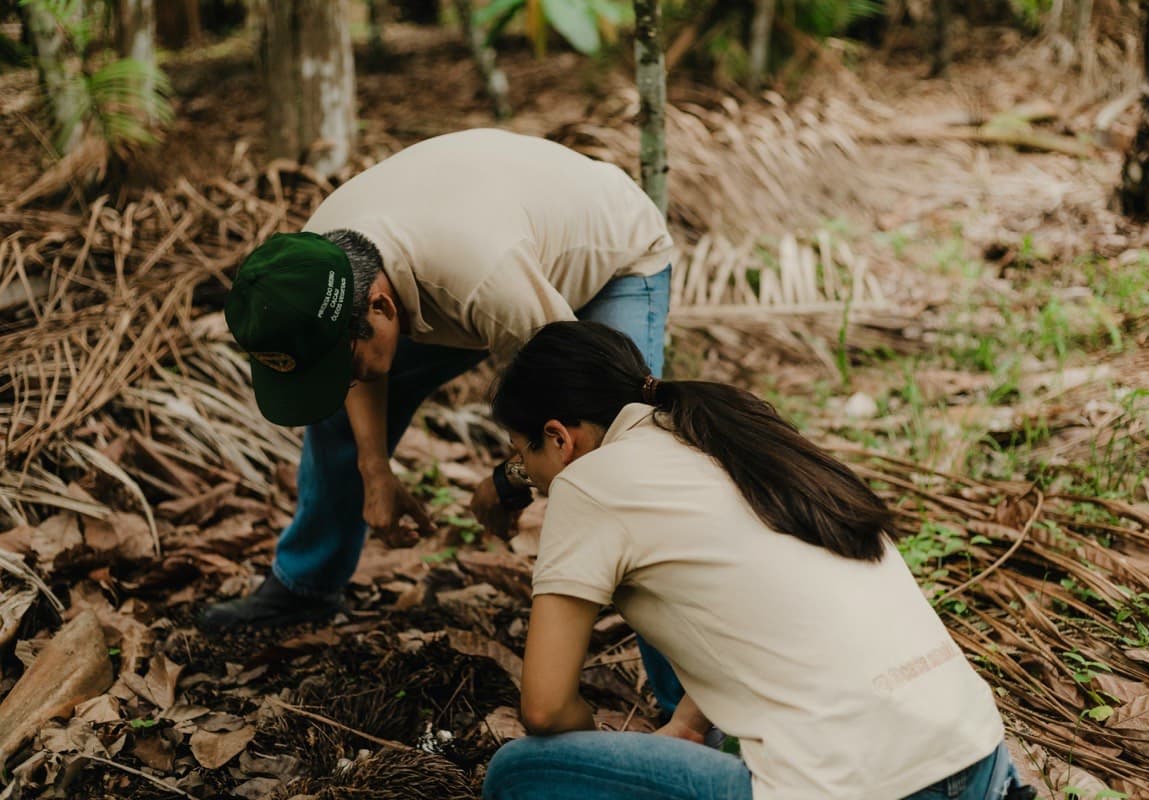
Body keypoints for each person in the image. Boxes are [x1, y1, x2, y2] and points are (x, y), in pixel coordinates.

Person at [480, 320, 1034, 800]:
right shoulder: (733, 439)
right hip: (979, 757)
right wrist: (687, 725)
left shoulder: (588, 483)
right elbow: (763, 596)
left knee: (521, 773)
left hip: (867, 786)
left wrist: (604, 756)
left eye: (522, 458)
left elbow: (547, 708)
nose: (532, 478)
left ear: (558, 438)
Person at [198, 129, 675, 638]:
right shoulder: (315, 269)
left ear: (380, 307)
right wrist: (375, 470)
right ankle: (305, 586)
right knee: (341, 413)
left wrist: (506, 483)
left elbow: (568, 411)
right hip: (473, 247)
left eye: (346, 367)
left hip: (612, 258)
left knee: (616, 451)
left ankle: (688, 704)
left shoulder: (488, 281)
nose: (346, 381)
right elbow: (347, 359)